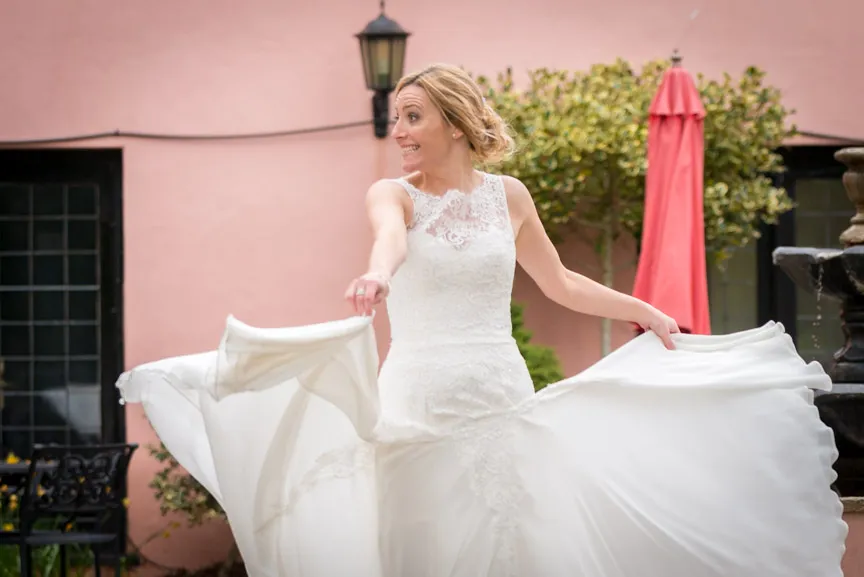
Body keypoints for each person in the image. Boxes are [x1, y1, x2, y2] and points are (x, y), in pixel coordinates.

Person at [117, 63, 846, 577]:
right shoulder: (392, 196)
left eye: (414, 116)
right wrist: (377, 272)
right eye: (398, 116)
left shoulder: (512, 196)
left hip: (497, 388)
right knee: (426, 542)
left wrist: (646, 309)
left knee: (509, 537)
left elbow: (558, 281)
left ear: (457, 122)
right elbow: (390, 240)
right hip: (419, 400)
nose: (399, 131)